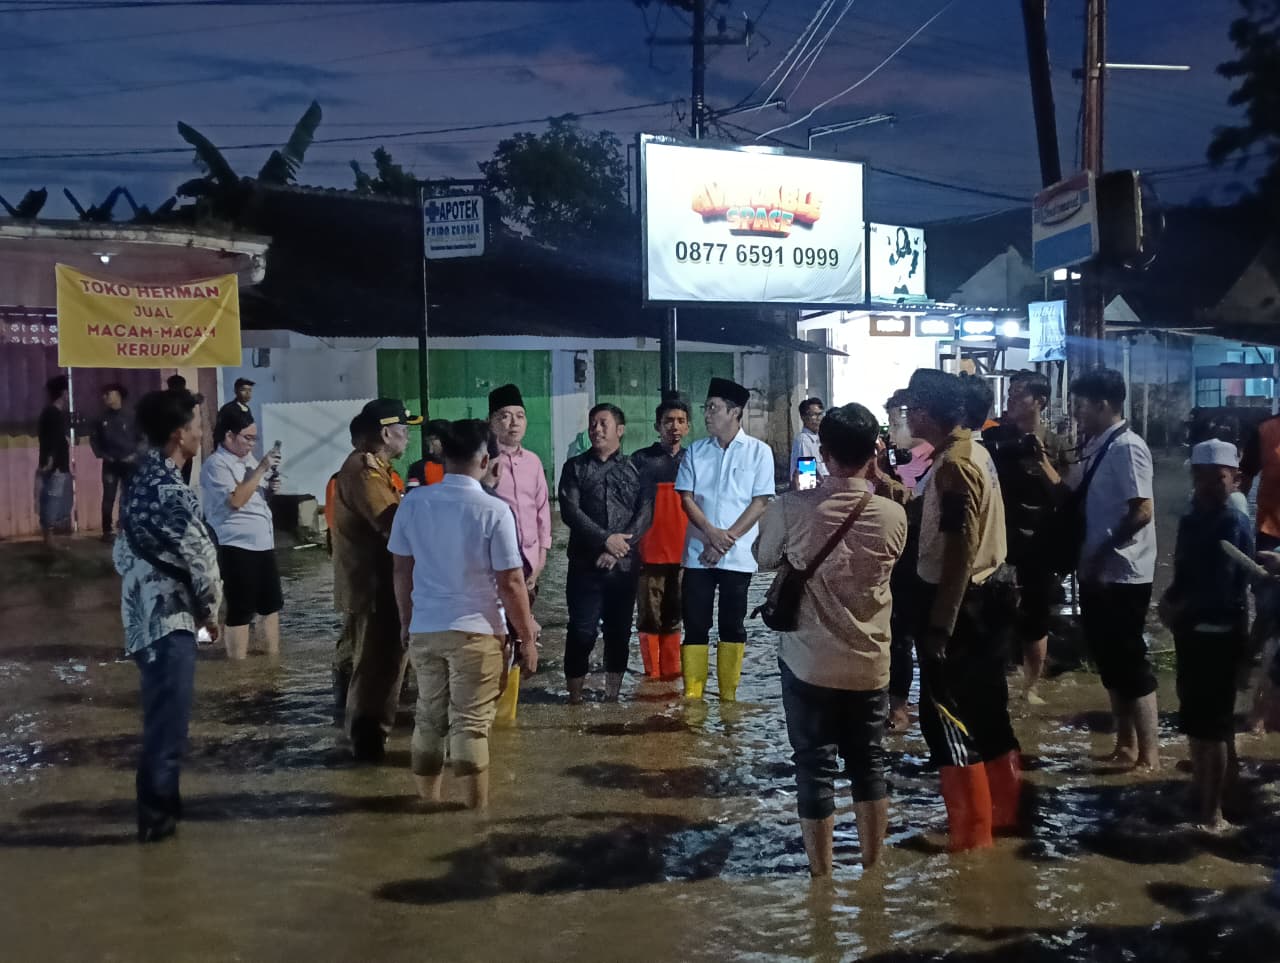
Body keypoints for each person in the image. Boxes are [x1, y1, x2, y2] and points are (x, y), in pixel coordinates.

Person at [757, 403, 907, 876]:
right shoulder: (893, 516)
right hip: (870, 666)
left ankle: (820, 879)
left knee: (813, 768)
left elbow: (763, 558)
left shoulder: (791, 506)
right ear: (874, 453)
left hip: (807, 663)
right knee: (870, 765)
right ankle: (872, 868)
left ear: (822, 453)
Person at [389, 419, 540, 810]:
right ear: (487, 459)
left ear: (443, 456)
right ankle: (474, 819)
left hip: (425, 630)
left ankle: (427, 806)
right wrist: (526, 638)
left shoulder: (413, 503)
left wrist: (406, 622)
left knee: (428, 719)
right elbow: (511, 582)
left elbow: (402, 571)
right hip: (477, 632)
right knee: (470, 726)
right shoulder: (493, 510)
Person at [905, 368, 1020, 852]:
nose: (905, 415)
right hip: (991, 596)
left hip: (962, 604)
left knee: (947, 719)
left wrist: (939, 626)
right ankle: (1003, 817)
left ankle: (971, 836)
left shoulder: (955, 464)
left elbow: (960, 547)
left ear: (926, 413)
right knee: (989, 711)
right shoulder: (974, 451)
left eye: (910, 407)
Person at [114, 388, 222, 842]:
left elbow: (120, 554)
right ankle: (158, 826)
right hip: (170, 622)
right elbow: (202, 561)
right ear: (179, 435)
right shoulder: (170, 492)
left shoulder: (138, 481)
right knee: (168, 730)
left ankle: (159, 825)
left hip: (141, 620)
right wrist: (213, 614)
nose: (202, 432)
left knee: (161, 722)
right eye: (197, 425)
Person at [1158, 439, 1253, 830]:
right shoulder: (1194, 516)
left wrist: (1178, 607)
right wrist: (1169, 600)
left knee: (1212, 726)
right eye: (1201, 478)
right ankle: (1209, 791)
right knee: (1198, 721)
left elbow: (1223, 588)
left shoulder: (1234, 521)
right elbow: (1184, 573)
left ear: (1235, 479)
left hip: (1219, 634)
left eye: (1219, 479)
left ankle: (1213, 814)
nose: (1208, 485)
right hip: (1191, 633)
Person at [1070, 367, 1160, 772]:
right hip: (1098, 572)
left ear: (1103, 404)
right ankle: (1125, 746)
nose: (1076, 412)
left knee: (1130, 662)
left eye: (1081, 404)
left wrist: (1101, 550)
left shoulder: (1128, 447)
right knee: (1110, 663)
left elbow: (1142, 510)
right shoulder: (1099, 445)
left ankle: (1150, 755)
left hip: (1124, 574)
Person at [676, 377, 774, 701]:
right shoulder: (695, 451)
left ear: (734, 412)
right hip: (698, 554)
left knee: (733, 625)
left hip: (737, 555)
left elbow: (760, 502)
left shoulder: (759, 452)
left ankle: (728, 696)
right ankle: (693, 695)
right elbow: (686, 498)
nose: (707, 415)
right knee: (695, 624)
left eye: (713, 408)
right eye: (706, 408)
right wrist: (711, 534)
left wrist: (726, 539)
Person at [332, 399, 419, 761]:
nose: (409, 436)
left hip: (368, 585)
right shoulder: (365, 473)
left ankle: (361, 738)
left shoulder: (372, 469)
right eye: (404, 428)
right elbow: (394, 525)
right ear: (386, 433)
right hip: (376, 589)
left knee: (367, 666)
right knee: (378, 671)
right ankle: (368, 749)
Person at [983, 370, 1069, 704]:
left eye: (1019, 395)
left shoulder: (1055, 444)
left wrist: (1041, 459)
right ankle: (1001, 678)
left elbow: (1066, 496)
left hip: (1041, 542)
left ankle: (1031, 686)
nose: (1011, 401)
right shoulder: (994, 439)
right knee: (995, 612)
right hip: (1000, 538)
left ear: (1040, 401)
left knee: (1036, 614)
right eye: (1010, 395)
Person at [557, 404, 650, 703]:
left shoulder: (637, 467)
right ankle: (574, 698)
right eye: (592, 424)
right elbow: (571, 511)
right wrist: (604, 540)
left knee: (619, 633)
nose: (596, 429)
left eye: (603, 424)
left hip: (623, 569)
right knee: (581, 632)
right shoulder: (575, 467)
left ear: (620, 430)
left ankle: (612, 696)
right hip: (585, 565)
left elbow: (646, 511)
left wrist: (620, 547)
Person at [200, 406, 283, 660]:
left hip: (262, 542)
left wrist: (268, 488)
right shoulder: (216, 465)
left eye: (254, 438)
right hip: (236, 544)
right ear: (228, 436)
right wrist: (260, 470)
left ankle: (272, 661)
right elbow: (236, 501)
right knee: (240, 609)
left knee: (270, 606)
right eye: (247, 438)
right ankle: (239, 669)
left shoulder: (246, 460)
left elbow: (252, 495)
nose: (252, 444)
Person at [488, 384, 551, 713]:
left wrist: (540, 561)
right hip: (496, 567)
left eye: (520, 416)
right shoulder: (485, 461)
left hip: (529, 565)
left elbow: (543, 514)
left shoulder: (534, 462)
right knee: (498, 637)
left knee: (520, 637)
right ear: (491, 421)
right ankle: (491, 707)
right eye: (505, 416)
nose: (513, 423)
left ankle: (507, 714)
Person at [630, 397, 692, 680]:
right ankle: (652, 677)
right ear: (657, 426)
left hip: (685, 555)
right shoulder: (640, 460)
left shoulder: (693, 459)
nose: (674, 427)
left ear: (688, 426)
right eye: (668, 421)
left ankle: (672, 675)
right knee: (648, 616)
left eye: (680, 421)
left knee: (676, 615)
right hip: (649, 553)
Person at [89, 383, 140, 542]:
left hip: (129, 464)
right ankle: (106, 531)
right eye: (104, 395)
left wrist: (135, 455)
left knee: (129, 497)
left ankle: (126, 528)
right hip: (110, 463)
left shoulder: (132, 416)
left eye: (108, 394)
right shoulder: (100, 418)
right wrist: (103, 455)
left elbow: (143, 439)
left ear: (118, 395)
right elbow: (94, 440)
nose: (105, 397)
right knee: (109, 497)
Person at [36, 374, 73, 548]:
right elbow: (50, 440)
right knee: (52, 499)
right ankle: (49, 538)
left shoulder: (52, 412)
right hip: (55, 464)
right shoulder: (52, 413)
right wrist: (51, 461)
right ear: (64, 392)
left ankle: (48, 536)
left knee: (52, 499)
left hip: (56, 463)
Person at [789, 397, 829, 487]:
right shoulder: (804, 441)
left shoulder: (819, 439)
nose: (818, 418)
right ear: (803, 417)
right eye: (814, 415)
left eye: (820, 414)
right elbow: (806, 479)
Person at [405, 419, 451, 489]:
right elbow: (412, 494)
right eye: (428, 441)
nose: (430, 449)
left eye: (432, 441)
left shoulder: (460, 466)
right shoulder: (418, 468)